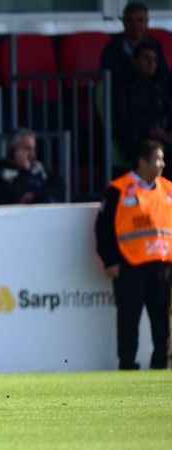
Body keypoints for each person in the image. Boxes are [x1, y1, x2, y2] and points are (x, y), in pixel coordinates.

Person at [95, 139, 172, 370]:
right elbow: (103, 228)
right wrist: (110, 260)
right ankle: (127, 364)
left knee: (161, 321)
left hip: (161, 266)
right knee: (129, 319)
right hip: (129, 265)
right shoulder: (118, 189)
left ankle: (161, 363)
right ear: (142, 162)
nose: (162, 164)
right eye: (157, 159)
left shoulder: (168, 189)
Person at [101, 2, 168, 96]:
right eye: (129, 20)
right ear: (123, 22)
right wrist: (135, 66)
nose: (135, 25)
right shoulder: (112, 47)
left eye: (140, 20)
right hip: (122, 99)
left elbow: (163, 74)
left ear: (147, 22)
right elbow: (109, 78)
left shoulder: (154, 44)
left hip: (151, 98)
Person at [0, 129, 64, 205]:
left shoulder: (38, 167)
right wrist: (25, 170)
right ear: (13, 150)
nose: (33, 154)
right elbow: (17, 197)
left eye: (33, 149)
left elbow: (60, 187)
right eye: (27, 149)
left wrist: (36, 195)